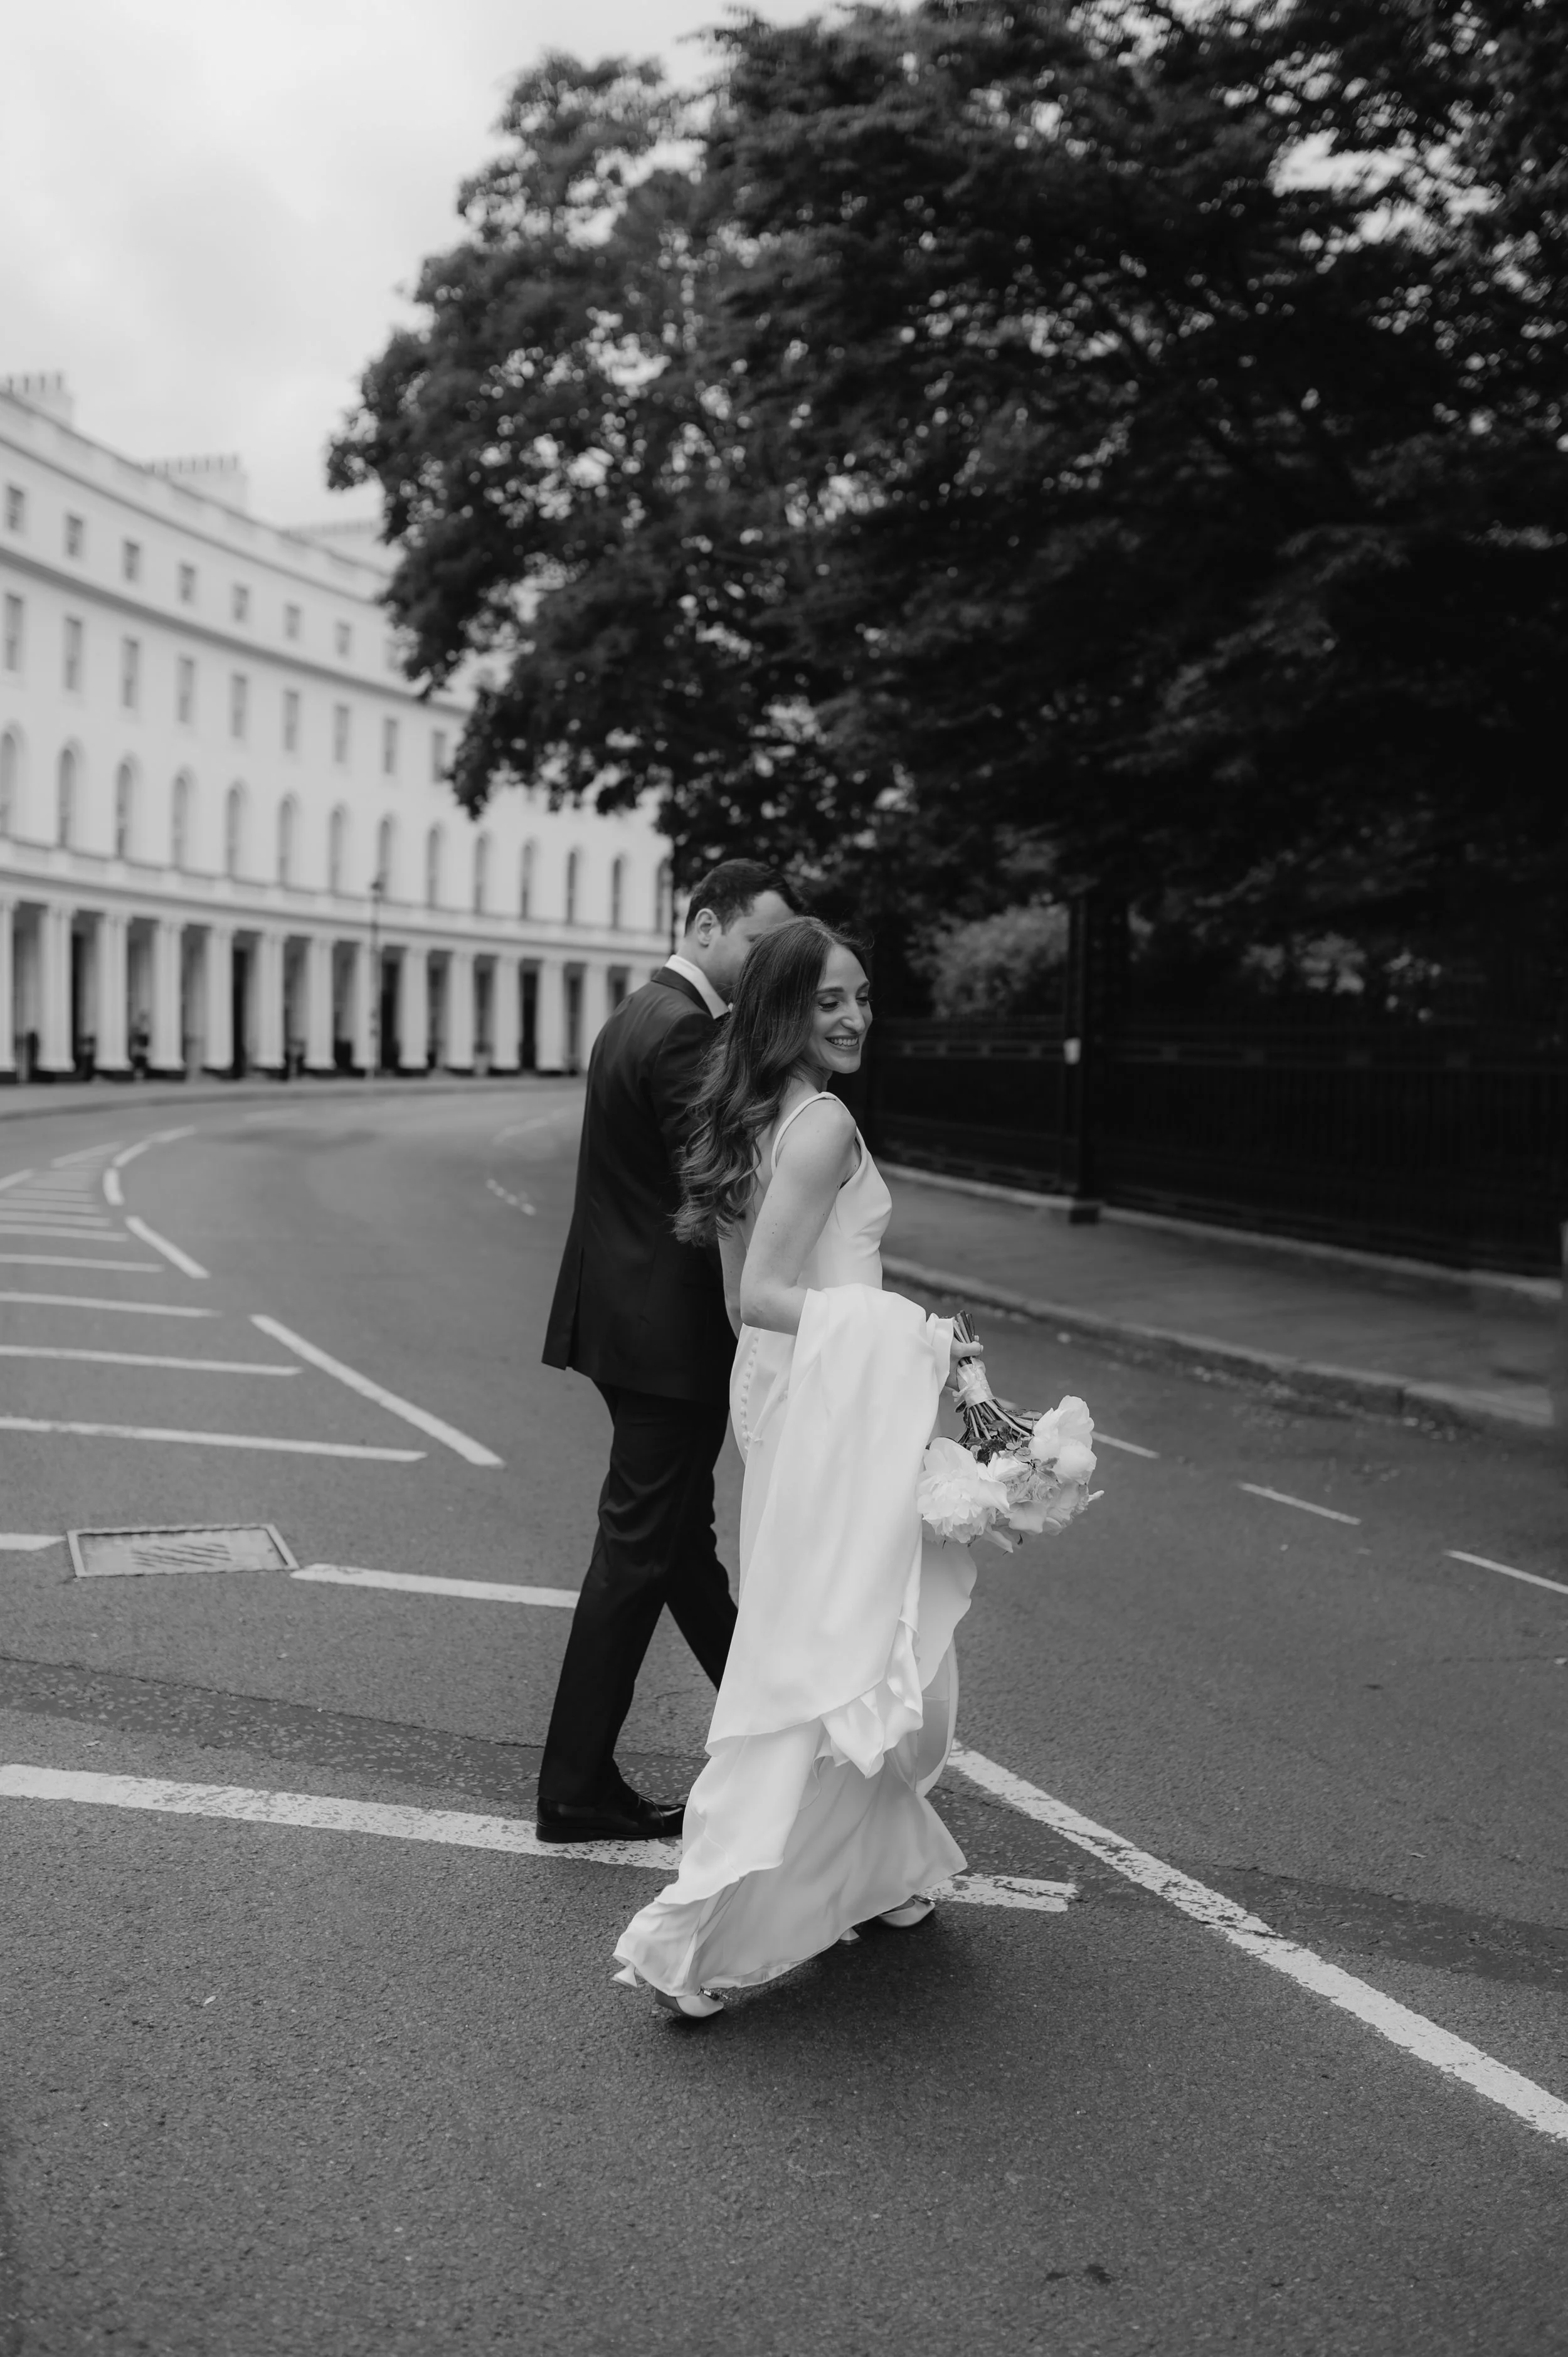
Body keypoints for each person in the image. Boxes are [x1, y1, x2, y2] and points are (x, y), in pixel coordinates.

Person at [613, 916, 983, 2016]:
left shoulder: (756, 1111)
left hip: (800, 1402)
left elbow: (745, 1310)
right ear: (783, 1010)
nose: (856, 1016)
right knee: (855, 1647)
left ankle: (883, 1871)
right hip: (835, 1416)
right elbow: (768, 1295)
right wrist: (917, 1336)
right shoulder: (819, 1125)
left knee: (835, 1636)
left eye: (862, 996)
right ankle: (705, 1932)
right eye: (830, 1001)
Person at [536, 860, 800, 1843]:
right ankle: (573, 1786)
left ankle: (784, 1733)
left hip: (625, 1325)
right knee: (639, 1552)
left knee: (679, 1550)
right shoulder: (687, 1030)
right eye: (758, 942)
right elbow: (726, 1190)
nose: (767, 962)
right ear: (703, 926)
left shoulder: (636, 1013)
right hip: (668, 1340)